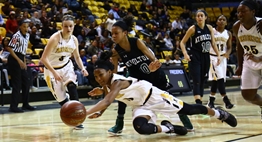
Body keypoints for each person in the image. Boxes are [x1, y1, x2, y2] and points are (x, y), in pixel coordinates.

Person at [85, 51, 237, 136]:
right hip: (141, 105)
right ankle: (169, 128)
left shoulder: (117, 82)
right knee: (141, 127)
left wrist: (85, 112)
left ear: (110, 72)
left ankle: (219, 114)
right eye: (96, 76)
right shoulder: (108, 84)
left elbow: (106, 100)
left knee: (190, 110)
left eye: (101, 75)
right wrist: (100, 112)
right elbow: (107, 96)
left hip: (154, 97)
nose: (98, 78)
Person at [109, 15, 193, 135]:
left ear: (125, 33)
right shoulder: (116, 51)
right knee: (122, 94)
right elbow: (115, 71)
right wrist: (113, 83)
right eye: (112, 34)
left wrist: (154, 65)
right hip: (138, 79)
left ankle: (185, 119)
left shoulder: (137, 42)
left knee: (170, 98)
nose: (113, 36)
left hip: (153, 74)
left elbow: (152, 57)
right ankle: (119, 124)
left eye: (116, 33)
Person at [40, 14, 89, 129]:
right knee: (62, 100)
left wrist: (82, 68)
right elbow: (43, 59)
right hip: (52, 70)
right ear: (61, 26)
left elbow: (76, 57)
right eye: (66, 26)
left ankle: (78, 118)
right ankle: (70, 114)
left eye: (70, 26)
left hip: (66, 66)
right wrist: (55, 73)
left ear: (74, 26)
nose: (68, 29)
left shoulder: (74, 40)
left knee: (72, 86)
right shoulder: (55, 39)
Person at [180, 9, 221, 104]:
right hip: (195, 56)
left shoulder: (209, 28)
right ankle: (198, 102)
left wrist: (218, 55)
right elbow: (182, 42)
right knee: (197, 80)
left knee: (203, 80)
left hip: (206, 56)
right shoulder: (193, 29)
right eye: (198, 16)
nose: (199, 17)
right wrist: (185, 54)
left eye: (201, 15)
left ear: (206, 17)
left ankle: (200, 102)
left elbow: (213, 44)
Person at [233, 0, 262, 120]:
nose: (240, 14)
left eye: (243, 11)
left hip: (259, 58)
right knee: (247, 95)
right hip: (250, 62)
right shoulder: (236, 27)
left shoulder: (260, 25)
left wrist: (259, 58)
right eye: (238, 12)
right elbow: (239, 46)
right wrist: (240, 65)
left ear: (253, 12)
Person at [6, 19, 36, 113]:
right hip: (14, 59)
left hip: (21, 58)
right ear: (20, 27)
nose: (26, 28)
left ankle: (25, 104)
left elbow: (23, 50)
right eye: (24, 26)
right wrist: (19, 60)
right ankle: (13, 106)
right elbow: (9, 48)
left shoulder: (27, 35)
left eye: (27, 27)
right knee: (17, 84)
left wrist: (23, 61)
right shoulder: (16, 36)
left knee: (26, 82)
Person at [207, 15, 234, 109]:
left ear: (226, 23)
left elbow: (230, 47)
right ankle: (226, 100)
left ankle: (211, 101)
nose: (222, 21)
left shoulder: (228, 33)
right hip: (213, 57)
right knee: (220, 78)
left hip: (223, 58)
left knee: (216, 80)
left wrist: (228, 53)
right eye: (220, 19)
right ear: (217, 22)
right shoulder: (212, 31)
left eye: (224, 19)